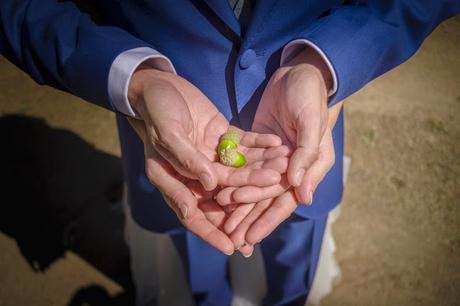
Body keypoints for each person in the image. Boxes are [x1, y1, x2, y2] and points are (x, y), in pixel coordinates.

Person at [1, 1, 458, 305]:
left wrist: (324, 65)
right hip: (170, 156)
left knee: (294, 272)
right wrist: (136, 81)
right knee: (196, 280)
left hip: (298, 148)